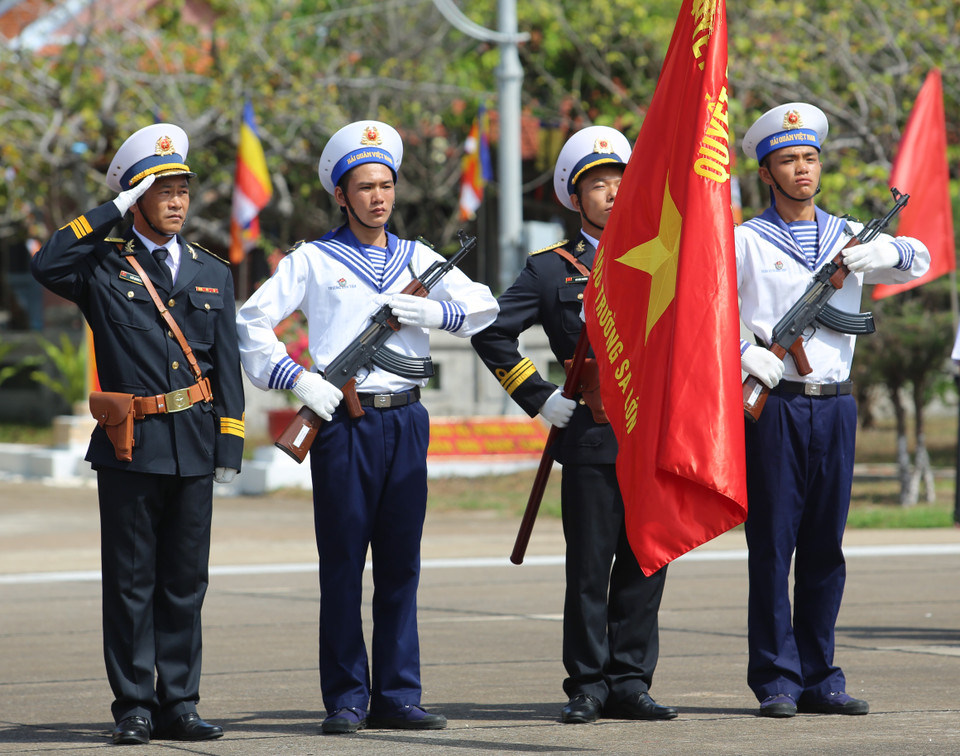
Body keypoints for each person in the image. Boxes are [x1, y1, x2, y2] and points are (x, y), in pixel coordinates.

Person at [235, 120, 498, 735]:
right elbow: (251, 323)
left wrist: (433, 310)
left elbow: (484, 305)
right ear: (341, 195)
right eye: (364, 187)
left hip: (405, 420)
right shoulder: (313, 260)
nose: (378, 197)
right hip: (344, 426)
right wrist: (297, 379)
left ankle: (398, 694)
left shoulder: (420, 258)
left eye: (386, 185)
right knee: (344, 564)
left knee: (401, 564)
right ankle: (347, 697)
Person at [30, 123, 245, 745]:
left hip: (195, 444)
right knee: (129, 583)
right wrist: (112, 210)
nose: (177, 201)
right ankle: (133, 706)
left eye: (183, 188)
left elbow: (224, 366)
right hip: (131, 447)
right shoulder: (101, 266)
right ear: (136, 197)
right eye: (161, 189)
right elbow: (47, 262)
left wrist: (228, 443)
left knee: (184, 581)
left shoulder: (212, 271)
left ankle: (180, 702)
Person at [471, 126, 678, 725]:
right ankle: (587, 684)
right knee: (589, 567)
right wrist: (537, 397)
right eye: (598, 185)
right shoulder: (550, 271)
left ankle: (632, 682)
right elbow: (492, 332)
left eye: (620, 182)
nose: (613, 193)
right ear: (575, 197)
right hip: (591, 432)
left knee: (646, 561)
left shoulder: (668, 256)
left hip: (653, 435)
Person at [737, 102, 930, 718]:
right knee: (772, 544)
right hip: (779, 406)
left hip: (836, 407)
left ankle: (821, 675)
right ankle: (776, 679)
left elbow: (923, 258)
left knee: (826, 545)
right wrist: (744, 351)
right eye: (788, 160)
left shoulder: (851, 236)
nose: (802, 170)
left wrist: (890, 255)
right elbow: (708, 314)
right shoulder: (743, 239)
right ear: (767, 173)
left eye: (810, 158)